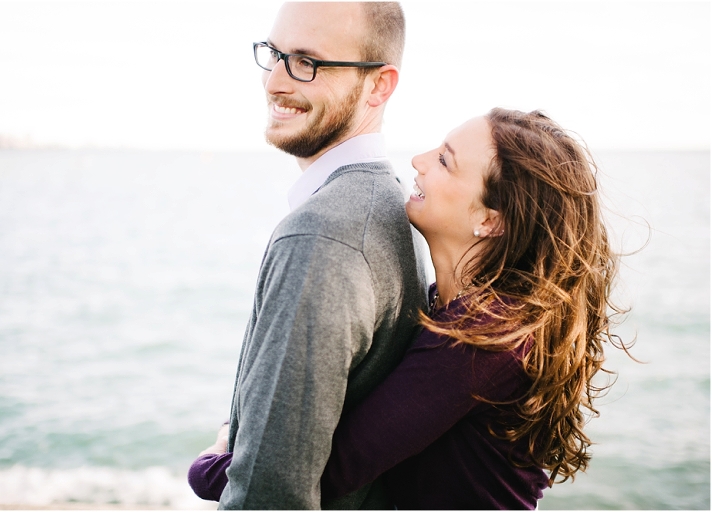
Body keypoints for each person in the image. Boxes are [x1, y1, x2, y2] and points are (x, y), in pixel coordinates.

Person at [189, 108, 631, 509]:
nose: (419, 160)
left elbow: (326, 474)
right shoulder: (459, 305)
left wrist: (211, 464)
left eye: (445, 161)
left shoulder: (485, 337)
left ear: (490, 219)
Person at [201, 2, 428, 509]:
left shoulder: (322, 235)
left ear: (379, 85)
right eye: (275, 54)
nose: (276, 82)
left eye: (307, 62)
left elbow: (270, 493)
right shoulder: (392, 205)